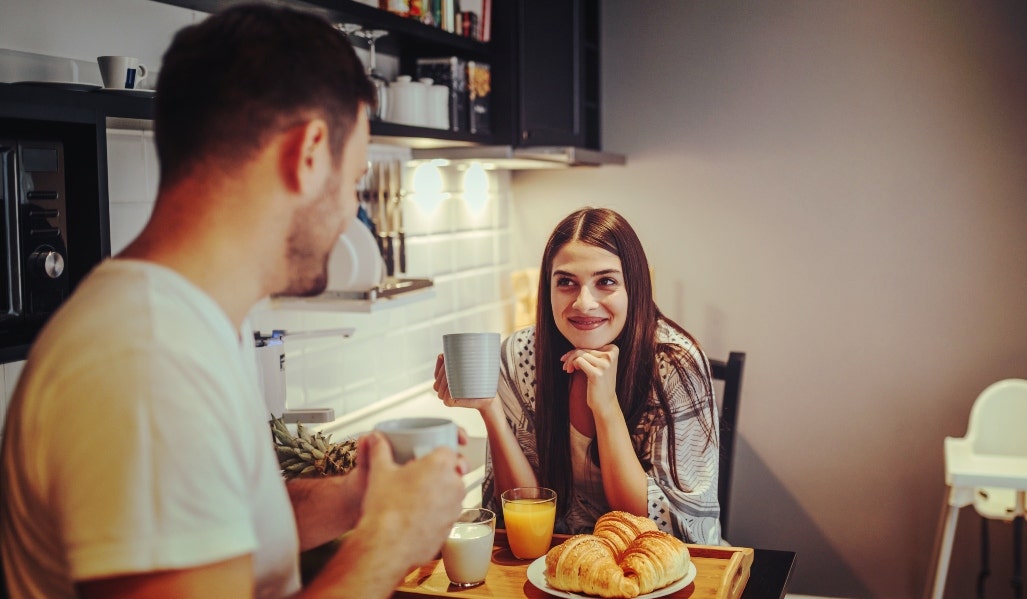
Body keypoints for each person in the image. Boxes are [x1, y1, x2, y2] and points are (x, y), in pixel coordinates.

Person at [0, 5, 466, 598]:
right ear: (308, 153)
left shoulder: (193, 323)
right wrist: (392, 538)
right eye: (353, 181)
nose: (352, 210)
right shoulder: (148, 357)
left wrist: (354, 498)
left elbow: (219, 530)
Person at [434, 207, 722, 545]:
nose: (584, 303)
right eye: (567, 282)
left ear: (636, 287)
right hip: (556, 562)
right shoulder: (520, 355)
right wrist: (490, 409)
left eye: (606, 282)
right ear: (548, 289)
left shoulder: (676, 365)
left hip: (658, 571)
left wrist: (606, 407)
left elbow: (654, 529)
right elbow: (523, 507)